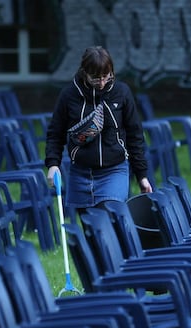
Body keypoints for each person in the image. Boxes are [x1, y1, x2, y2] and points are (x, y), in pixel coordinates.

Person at [45, 45, 152, 216]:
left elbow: (135, 135)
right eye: (95, 78)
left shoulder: (121, 92)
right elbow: (55, 134)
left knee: (108, 217)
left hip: (114, 170)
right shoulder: (69, 95)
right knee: (91, 231)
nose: (101, 83)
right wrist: (52, 164)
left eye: (106, 76)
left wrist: (142, 176)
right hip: (81, 172)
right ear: (84, 72)